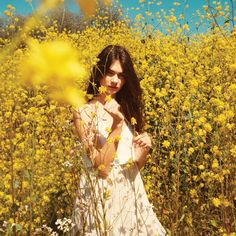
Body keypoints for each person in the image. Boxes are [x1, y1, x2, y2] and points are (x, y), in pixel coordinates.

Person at [72, 45, 166, 236]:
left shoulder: (128, 107)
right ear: (98, 74)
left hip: (131, 191)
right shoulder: (83, 112)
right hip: (101, 195)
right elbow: (102, 168)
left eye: (121, 76)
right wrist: (116, 126)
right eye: (110, 73)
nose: (115, 81)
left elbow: (135, 165)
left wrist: (144, 149)